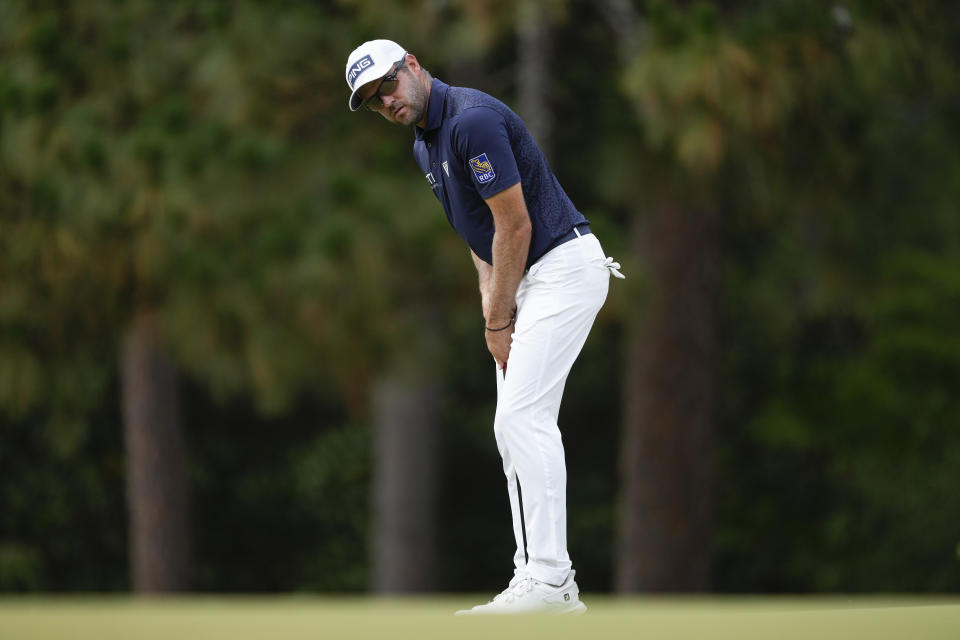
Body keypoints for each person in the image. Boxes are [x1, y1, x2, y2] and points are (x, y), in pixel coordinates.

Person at [345, 39, 623, 615]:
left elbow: (515, 226)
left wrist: (499, 320)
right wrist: (491, 300)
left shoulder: (470, 121)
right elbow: (479, 232)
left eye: (389, 85)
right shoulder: (426, 145)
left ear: (414, 65)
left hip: (563, 269)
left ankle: (551, 579)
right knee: (510, 427)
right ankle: (536, 578)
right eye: (374, 101)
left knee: (524, 417)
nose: (387, 102)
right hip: (524, 281)